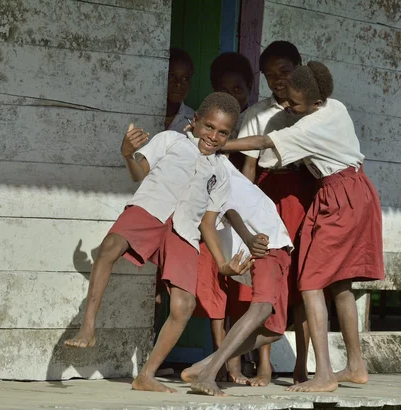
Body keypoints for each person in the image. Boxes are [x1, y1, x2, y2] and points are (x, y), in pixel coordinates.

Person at [64, 93, 252, 393]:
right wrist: (128, 154)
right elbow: (140, 172)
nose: (213, 136)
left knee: (184, 304)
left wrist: (222, 264)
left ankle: (146, 375)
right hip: (152, 207)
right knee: (110, 247)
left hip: (184, 230)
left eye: (222, 133)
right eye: (209, 127)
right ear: (195, 122)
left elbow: (207, 222)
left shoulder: (221, 173)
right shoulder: (171, 140)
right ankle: (88, 326)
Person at [222, 61, 384, 393]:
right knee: (340, 285)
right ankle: (355, 365)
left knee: (311, 284)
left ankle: (323, 374)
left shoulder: (309, 125)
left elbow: (266, 142)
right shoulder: (336, 107)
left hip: (339, 196)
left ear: (314, 100)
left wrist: (219, 144)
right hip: (354, 191)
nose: (291, 108)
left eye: (296, 104)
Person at [181, 156, 294, 396]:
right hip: (265, 244)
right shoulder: (209, 172)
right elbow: (229, 211)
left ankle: (201, 367)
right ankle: (208, 374)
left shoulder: (221, 164)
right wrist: (249, 238)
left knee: (275, 329)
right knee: (262, 308)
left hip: (279, 245)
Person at [236, 40, 314, 385]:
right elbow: (249, 168)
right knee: (269, 274)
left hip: (305, 193)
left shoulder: (314, 111)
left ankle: (301, 367)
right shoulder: (257, 114)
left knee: (307, 278)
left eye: (284, 71)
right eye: (270, 76)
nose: (278, 80)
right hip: (268, 193)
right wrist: (246, 208)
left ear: (299, 68)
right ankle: (265, 365)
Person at [192, 51, 259, 384]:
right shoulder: (208, 128)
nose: (234, 96)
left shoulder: (251, 125)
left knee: (241, 290)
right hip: (211, 215)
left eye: (240, 88)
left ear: (249, 88)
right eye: (226, 89)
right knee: (215, 289)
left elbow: (248, 174)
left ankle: (231, 359)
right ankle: (223, 362)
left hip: (240, 214)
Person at [166, 49, 195, 132]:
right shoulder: (141, 113)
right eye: (171, 76)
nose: (178, 83)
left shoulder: (192, 120)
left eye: (185, 79)